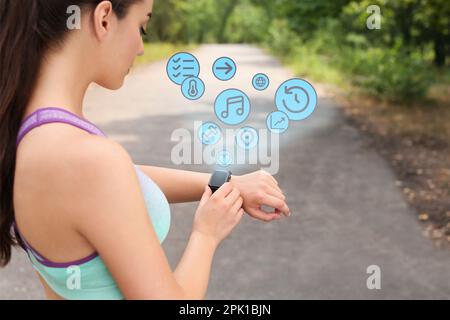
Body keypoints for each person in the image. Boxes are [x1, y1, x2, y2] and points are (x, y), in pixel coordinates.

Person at [0, 0, 290, 299]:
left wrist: (227, 183)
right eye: (142, 27)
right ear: (104, 19)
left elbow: (120, 181)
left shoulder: (31, 135)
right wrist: (206, 234)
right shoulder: (86, 158)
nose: (140, 47)